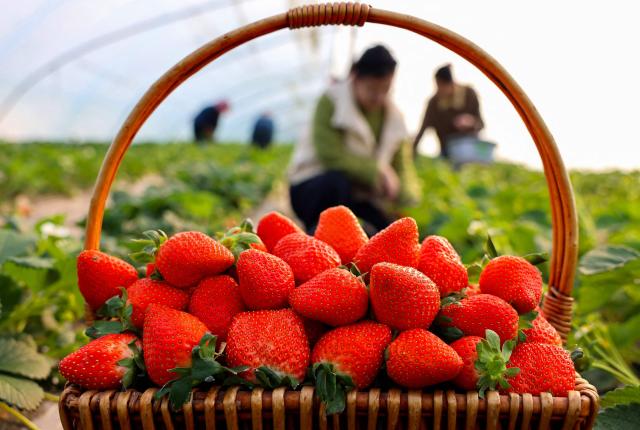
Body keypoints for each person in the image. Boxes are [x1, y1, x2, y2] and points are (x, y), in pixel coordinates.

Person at [288, 45, 421, 233]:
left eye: (385, 89)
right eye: (372, 89)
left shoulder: (394, 117)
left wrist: (408, 198)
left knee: (385, 230)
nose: (378, 96)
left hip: (356, 197)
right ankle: (317, 238)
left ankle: (343, 242)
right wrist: (377, 171)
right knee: (335, 183)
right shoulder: (331, 100)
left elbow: (402, 165)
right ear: (355, 78)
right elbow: (329, 154)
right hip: (314, 187)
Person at [413, 64, 484, 158]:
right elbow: (423, 128)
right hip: (446, 152)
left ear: (451, 83)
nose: (440, 90)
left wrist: (471, 122)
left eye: (443, 85)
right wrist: (412, 150)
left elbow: (481, 124)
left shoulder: (469, 94)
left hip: (468, 150)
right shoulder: (434, 103)